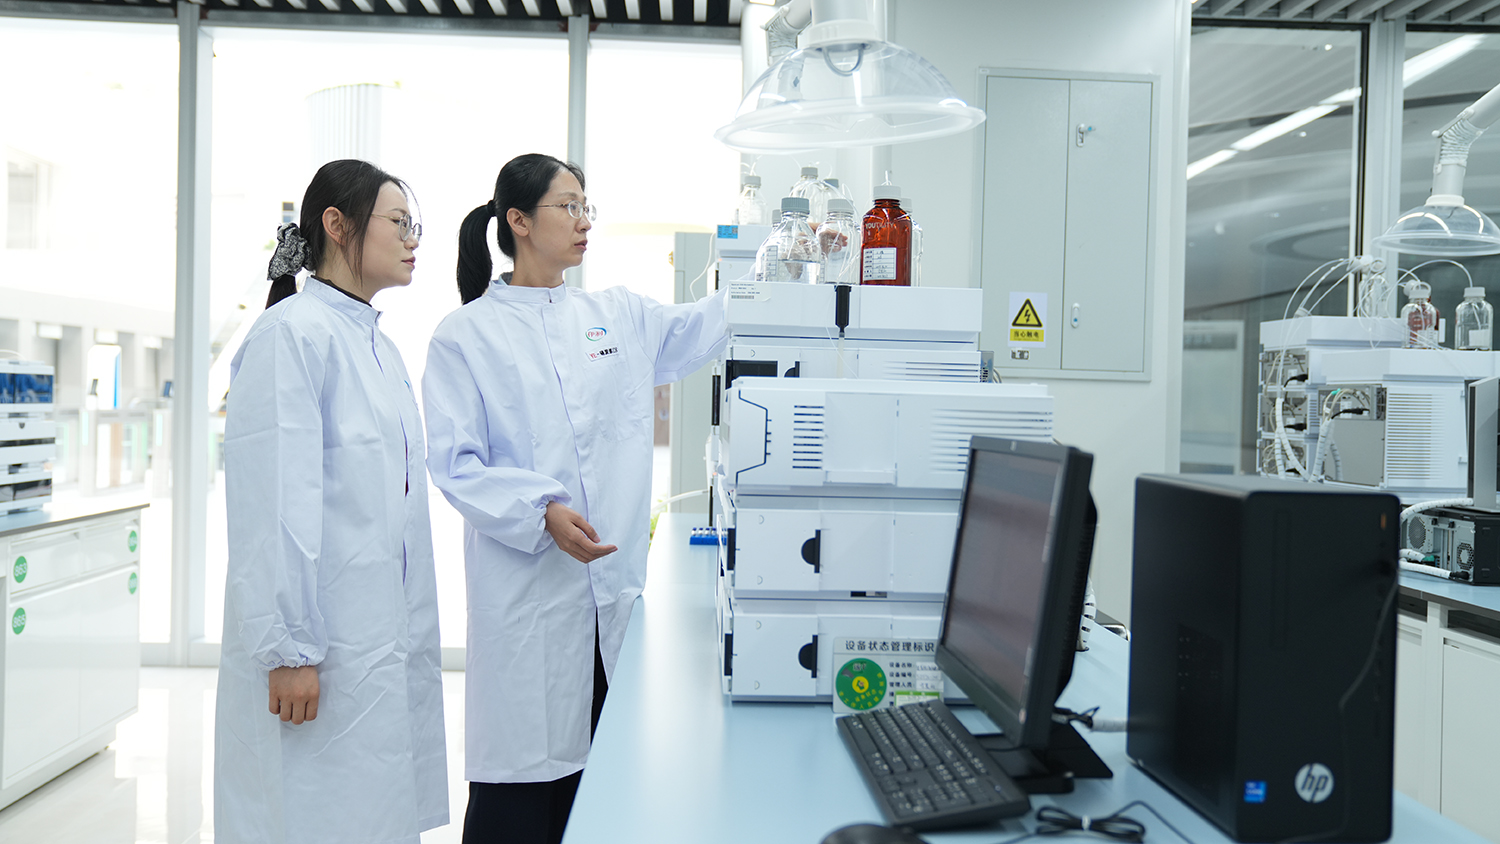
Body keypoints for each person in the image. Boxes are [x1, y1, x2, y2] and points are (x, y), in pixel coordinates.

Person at [423, 153, 728, 844]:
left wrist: (786, 267)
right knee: (521, 799)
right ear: (519, 221)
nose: (584, 220)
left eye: (586, 206)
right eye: (569, 206)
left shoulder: (615, 315)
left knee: (607, 791)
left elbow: (703, 325)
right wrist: (541, 512)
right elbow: (458, 465)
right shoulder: (465, 335)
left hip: (611, 595)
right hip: (529, 601)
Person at [214, 159, 448, 844]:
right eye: (398, 222)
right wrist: (288, 648)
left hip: (372, 640)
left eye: (414, 225)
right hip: (315, 650)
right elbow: (273, 504)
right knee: (308, 815)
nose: (412, 239)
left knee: (367, 811)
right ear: (337, 225)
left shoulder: (378, 347)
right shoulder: (292, 334)